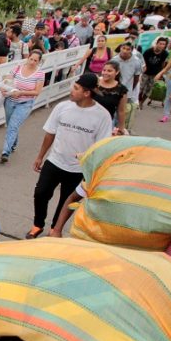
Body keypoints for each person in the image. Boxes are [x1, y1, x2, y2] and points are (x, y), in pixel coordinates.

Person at [27, 73, 113, 239]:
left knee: (66, 202)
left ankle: (54, 229)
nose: (71, 90)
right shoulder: (62, 107)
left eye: (76, 88)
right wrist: (40, 157)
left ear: (86, 93)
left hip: (78, 169)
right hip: (55, 161)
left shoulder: (102, 116)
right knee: (41, 193)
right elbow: (49, 134)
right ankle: (37, 224)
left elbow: (102, 146)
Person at [0, 49, 45, 164]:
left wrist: (21, 92)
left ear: (39, 62)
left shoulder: (40, 74)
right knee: (11, 124)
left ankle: (5, 152)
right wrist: (4, 87)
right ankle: (13, 144)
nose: (32, 62)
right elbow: (7, 79)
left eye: (35, 60)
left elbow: (37, 92)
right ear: (28, 58)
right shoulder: (17, 68)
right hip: (10, 100)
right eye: (31, 59)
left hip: (25, 103)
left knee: (13, 126)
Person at [91, 62, 128, 134]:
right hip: (89, 120)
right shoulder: (95, 83)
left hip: (106, 123)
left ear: (117, 72)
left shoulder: (121, 90)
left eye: (109, 71)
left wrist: (121, 129)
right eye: (104, 70)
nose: (105, 73)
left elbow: (121, 111)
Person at [138, 37, 169, 109]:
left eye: (163, 44)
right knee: (140, 88)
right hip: (145, 72)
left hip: (155, 74)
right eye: (160, 43)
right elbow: (142, 62)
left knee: (148, 90)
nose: (161, 45)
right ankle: (138, 100)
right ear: (157, 43)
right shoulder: (148, 51)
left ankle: (141, 103)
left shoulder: (165, 53)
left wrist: (161, 74)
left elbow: (163, 64)